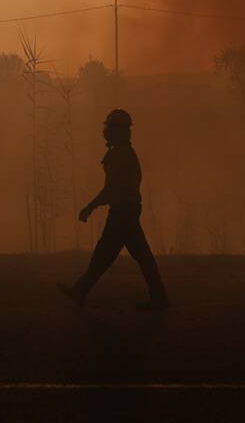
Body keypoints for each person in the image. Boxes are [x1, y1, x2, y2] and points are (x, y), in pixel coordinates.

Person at [58, 108, 168, 311]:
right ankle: (159, 298)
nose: (106, 131)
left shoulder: (120, 156)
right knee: (136, 256)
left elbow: (110, 190)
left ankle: (80, 291)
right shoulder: (123, 153)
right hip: (127, 211)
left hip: (122, 213)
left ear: (117, 131)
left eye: (109, 127)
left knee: (107, 255)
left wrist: (90, 207)